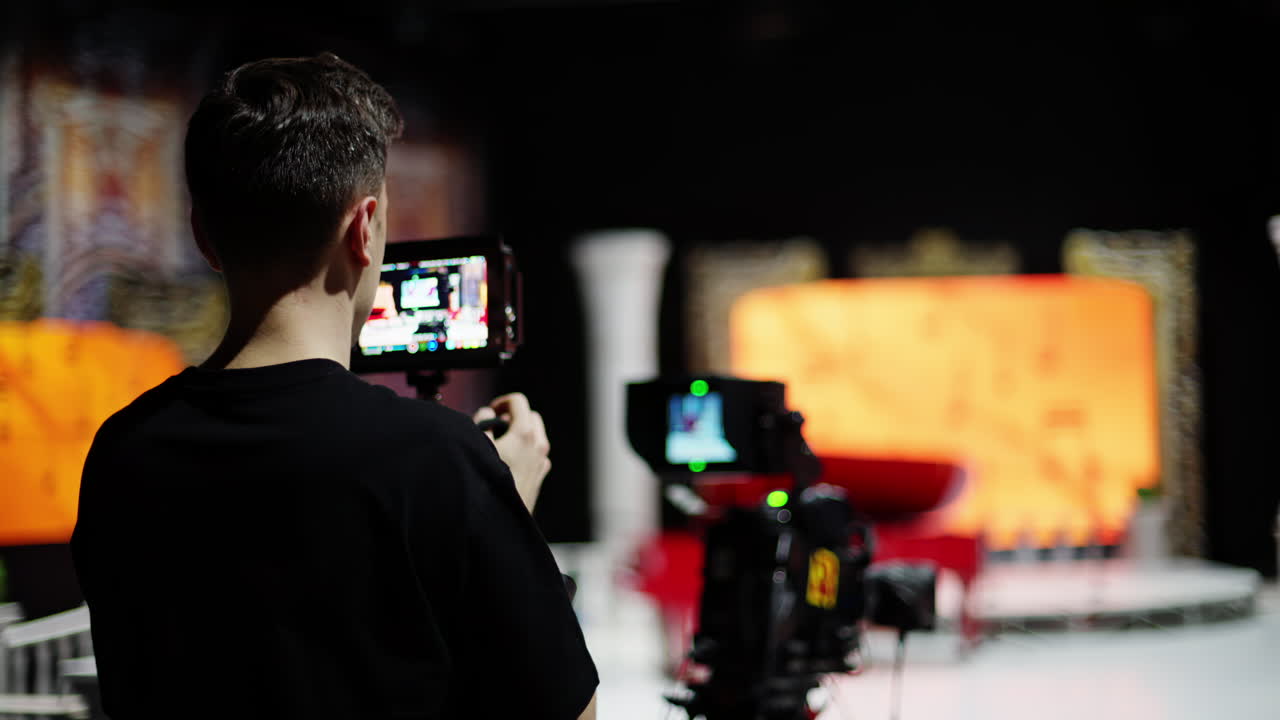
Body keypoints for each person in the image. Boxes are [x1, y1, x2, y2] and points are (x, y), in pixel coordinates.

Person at [70, 53, 598, 720]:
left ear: (204, 236)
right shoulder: (438, 457)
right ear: (364, 227)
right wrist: (502, 510)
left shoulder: (121, 451)